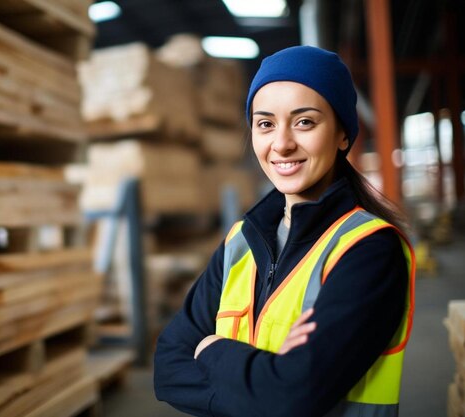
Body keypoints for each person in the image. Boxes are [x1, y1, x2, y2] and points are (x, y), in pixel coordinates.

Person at [153, 45, 415, 417]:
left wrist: (212, 349)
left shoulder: (369, 250)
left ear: (342, 133)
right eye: (265, 124)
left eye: (304, 121)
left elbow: (294, 397)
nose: (281, 143)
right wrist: (270, 376)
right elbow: (166, 370)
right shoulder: (241, 242)